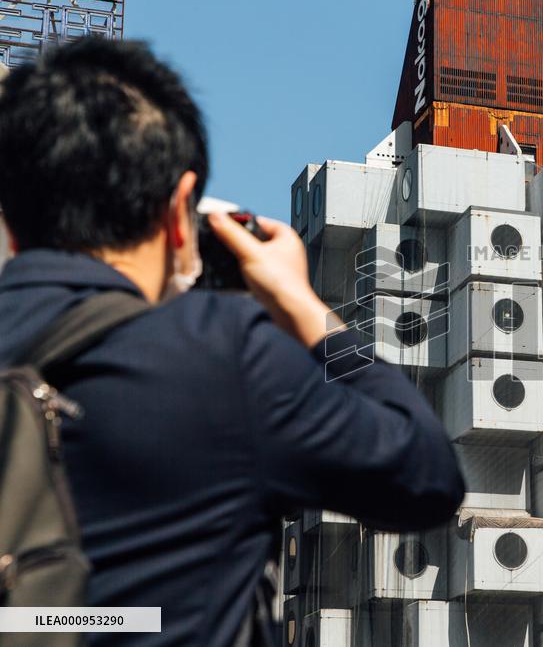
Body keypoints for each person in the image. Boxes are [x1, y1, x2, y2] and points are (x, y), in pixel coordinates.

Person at [0, 37, 465, 646]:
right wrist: (304, 308)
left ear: (11, 219)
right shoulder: (219, 357)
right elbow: (426, 475)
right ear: (177, 210)